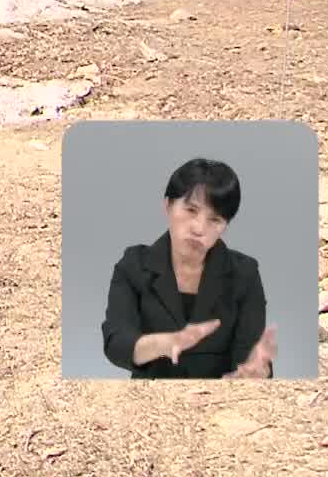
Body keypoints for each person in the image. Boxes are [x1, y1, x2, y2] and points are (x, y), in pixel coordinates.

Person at [101, 158, 278, 378]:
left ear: (225, 226)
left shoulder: (245, 274)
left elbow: (248, 357)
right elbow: (116, 342)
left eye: (215, 220)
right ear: (168, 205)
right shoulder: (134, 265)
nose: (199, 228)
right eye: (191, 210)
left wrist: (256, 372)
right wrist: (165, 343)